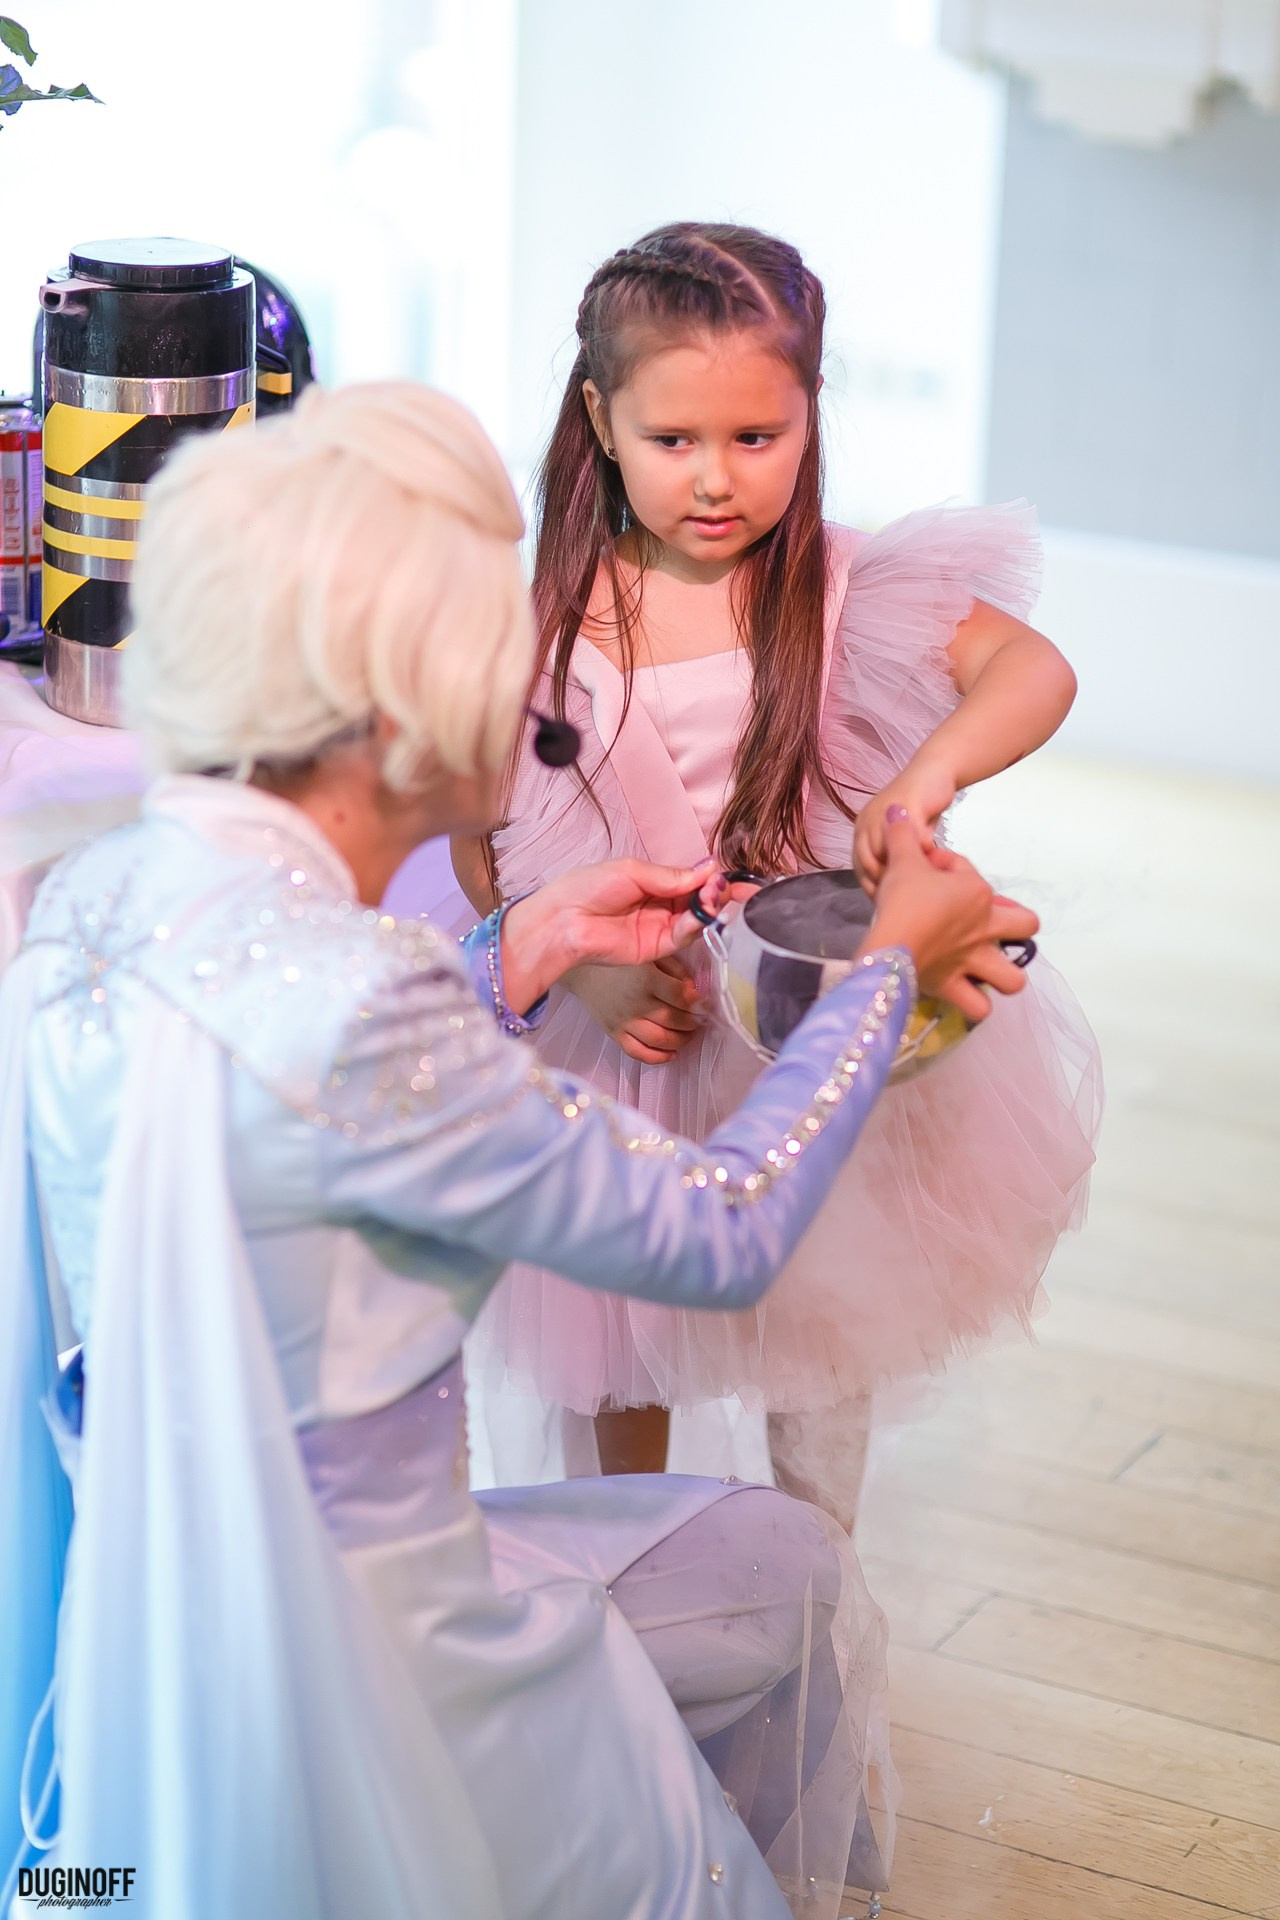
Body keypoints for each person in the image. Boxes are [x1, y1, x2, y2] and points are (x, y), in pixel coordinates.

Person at [0, 382, 1038, 1920]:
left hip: (159, 1645)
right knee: (783, 1567)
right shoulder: (370, 1002)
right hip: (382, 1677)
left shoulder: (92, 906)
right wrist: (882, 971)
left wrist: (521, 942)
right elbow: (721, 1226)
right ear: (404, 715)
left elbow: (296, 1094)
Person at [450, 221, 1103, 1510]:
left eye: (758, 437)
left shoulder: (851, 591)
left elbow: (1035, 670)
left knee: (821, 1319)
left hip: (805, 1023)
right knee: (616, 1334)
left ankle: (818, 1563)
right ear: (600, 420)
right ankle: (623, 1559)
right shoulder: (532, 631)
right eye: (673, 440)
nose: (716, 479)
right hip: (627, 1041)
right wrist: (579, 972)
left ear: (811, 414)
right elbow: (484, 843)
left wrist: (924, 777)